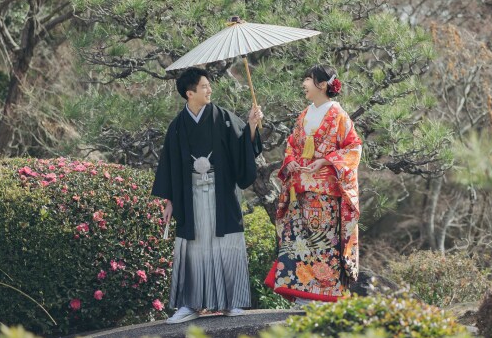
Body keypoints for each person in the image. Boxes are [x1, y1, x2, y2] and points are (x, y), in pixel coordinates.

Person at [152, 67, 263, 324]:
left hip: (220, 193)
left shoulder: (223, 118)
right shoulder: (177, 127)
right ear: (189, 93)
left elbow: (244, 146)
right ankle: (190, 304)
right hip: (190, 197)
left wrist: (252, 125)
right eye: (204, 86)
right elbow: (170, 165)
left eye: (208, 85)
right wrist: (169, 201)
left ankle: (231, 302)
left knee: (225, 244)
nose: (209, 90)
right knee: (194, 248)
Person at [264, 65, 361, 305]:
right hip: (300, 191)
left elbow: (353, 148)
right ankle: (302, 294)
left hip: (326, 193)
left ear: (322, 84)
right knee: (300, 243)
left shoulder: (338, 115)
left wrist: (325, 161)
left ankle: (325, 297)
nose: (304, 84)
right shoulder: (304, 114)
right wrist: (291, 161)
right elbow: (291, 145)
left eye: (308, 79)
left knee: (324, 244)